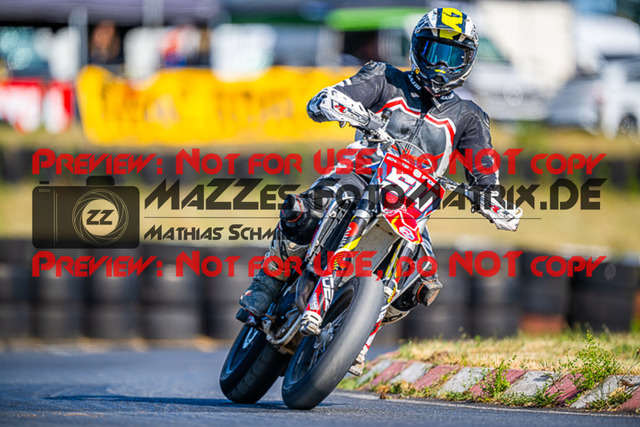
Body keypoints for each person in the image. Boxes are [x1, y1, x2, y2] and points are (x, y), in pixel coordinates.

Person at [240, 8, 499, 323]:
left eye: (452, 56)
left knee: (423, 281)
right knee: (304, 210)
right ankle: (267, 282)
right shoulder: (384, 78)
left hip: (412, 203)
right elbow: (331, 97)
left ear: (468, 60)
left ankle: (359, 324)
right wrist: (333, 103)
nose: (441, 65)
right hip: (360, 174)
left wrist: (490, 196)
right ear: (417, 48)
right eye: (435, 52)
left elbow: (485, 167)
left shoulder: (470, 116)